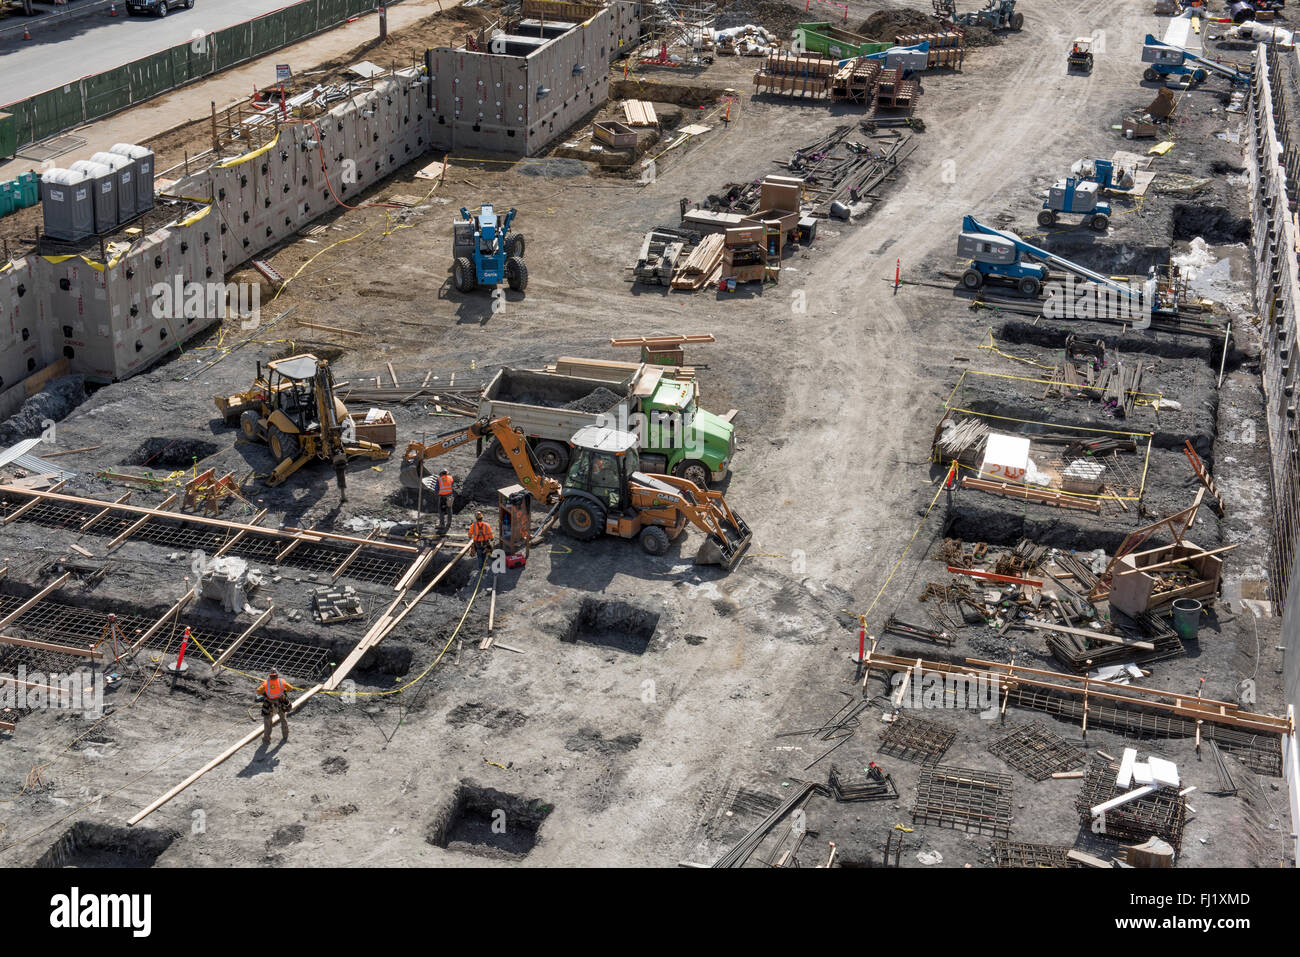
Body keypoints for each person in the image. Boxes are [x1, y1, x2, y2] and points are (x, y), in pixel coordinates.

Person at [257, 669, 296, 746]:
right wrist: (283, 689)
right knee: (283, 719)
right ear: (277, 675)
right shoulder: (282, 681)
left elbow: (258, 691)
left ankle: (267, 738)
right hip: (280, 703)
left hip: (269, 704)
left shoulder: (266, 683)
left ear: (270, 675)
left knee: (267, 721)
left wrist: (265, 692)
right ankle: (285, 735)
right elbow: (291, 688)